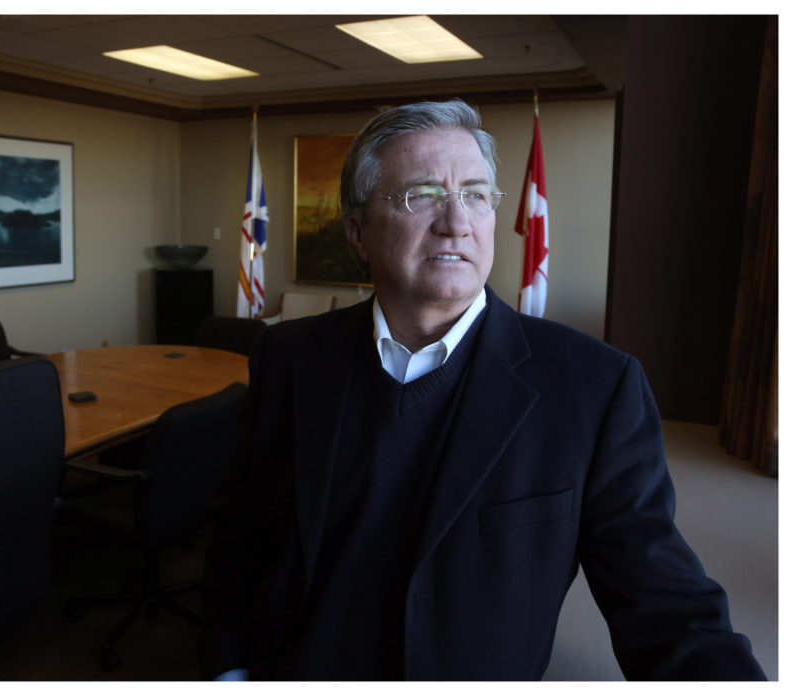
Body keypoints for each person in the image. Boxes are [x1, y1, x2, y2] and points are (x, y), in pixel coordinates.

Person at [197, 99, 766, 680]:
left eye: (474, 194)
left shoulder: (594, 387)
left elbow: (666, 604)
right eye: (421, 195)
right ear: (358, 232)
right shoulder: (289, 358)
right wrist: (227, 669)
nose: (456, 220)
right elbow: (238, 534)